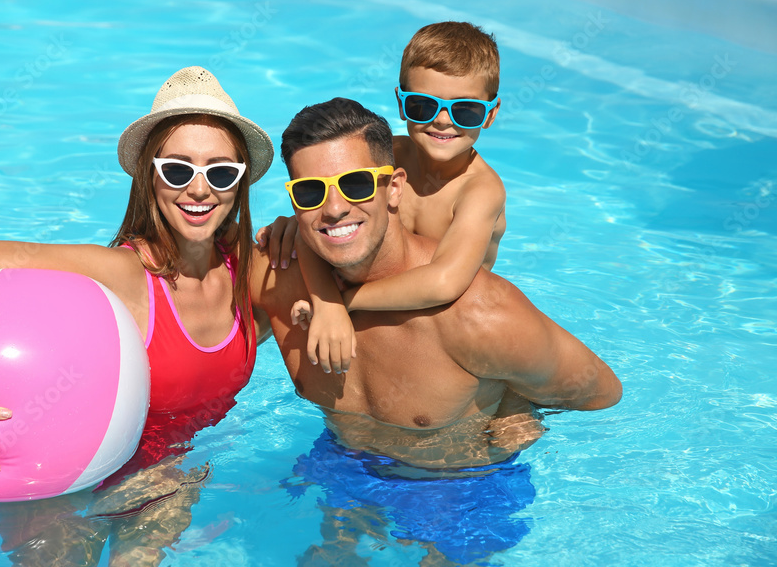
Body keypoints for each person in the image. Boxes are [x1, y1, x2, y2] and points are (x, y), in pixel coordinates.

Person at [0, 66, 275, 566]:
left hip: (164, 478)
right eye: (178, 170)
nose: (200, 190)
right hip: (58, 480)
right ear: (149, 175)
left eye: (220, 172)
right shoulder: (122, 272)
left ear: (241, 181)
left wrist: (330, 305)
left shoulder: (250, 273)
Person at [249, 97, 621, 563]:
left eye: (357, 184)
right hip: (343, 463)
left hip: (462, 486)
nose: (335, 209)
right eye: (310, 193)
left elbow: (600, 392)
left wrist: (518, 405)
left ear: (395, 189)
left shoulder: (478, 315)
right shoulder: (277, 275)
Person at [259, 22, 508, 375]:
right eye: (423, 105)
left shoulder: (480, 190)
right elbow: (328, 215)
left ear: (491, 114)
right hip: (381, 303)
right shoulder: (384, 154)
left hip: (444, 321)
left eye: (465, 110)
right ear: (401, 102)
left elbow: (444, 282)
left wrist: (341, 302)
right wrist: (296, 228)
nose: (442, 121)